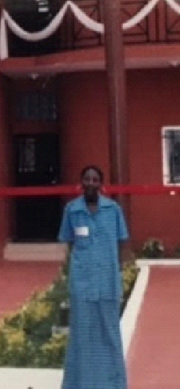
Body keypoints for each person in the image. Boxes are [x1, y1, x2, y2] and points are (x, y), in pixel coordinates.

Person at [58, 164, 130, 389]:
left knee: (109, 334)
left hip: (107, 284)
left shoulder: (113, 210)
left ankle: (113, 383)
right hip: (82, 285)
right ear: (81, 184)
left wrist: (118, 276)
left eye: (95, 179)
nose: (90, 183)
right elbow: (70, 245)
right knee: (82, 335)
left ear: (101, 184)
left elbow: (122, 245)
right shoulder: (72, 211)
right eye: (87, 179)